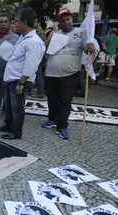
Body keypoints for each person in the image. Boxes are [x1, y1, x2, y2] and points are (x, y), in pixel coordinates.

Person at [43, 8, 97, 140]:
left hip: (70, 73)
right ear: (59, 23)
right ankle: (52, 118)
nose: (66, 22)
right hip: (51, 73)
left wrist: (90, 48)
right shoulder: (55, 33)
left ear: (72, 19)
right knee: (52, 99)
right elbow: (46, 49)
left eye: (68, 19)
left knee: (65, 101)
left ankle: (62, 126)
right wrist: (54, 31)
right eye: (62, 20)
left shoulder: (81, 32)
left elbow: (86, 47)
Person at [0, 7, 45, 140]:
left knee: (17, 108)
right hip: (12, 79)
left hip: (20, 81)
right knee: (10, 106)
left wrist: (21, 83)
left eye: (17, 21)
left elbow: (31, 65)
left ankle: (16, 132)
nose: (15, 23)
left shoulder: (34, 41)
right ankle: (8, 125)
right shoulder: (23, 38)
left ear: (24, 22)